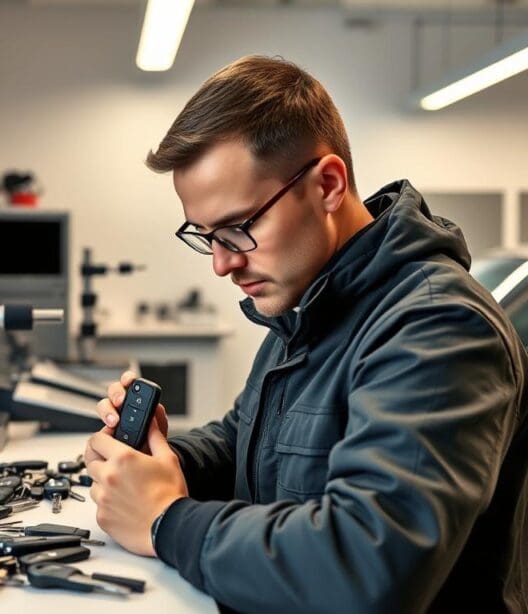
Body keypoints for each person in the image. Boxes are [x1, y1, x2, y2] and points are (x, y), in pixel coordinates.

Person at [83, 55, 528, 613]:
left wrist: (166, 520)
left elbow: (367, 564)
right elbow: (246, 439)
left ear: (328, 185)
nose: (221, 265)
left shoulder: (439, 326)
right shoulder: (308, 303)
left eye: (238, 229)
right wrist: (158, 464)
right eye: (205, 237)